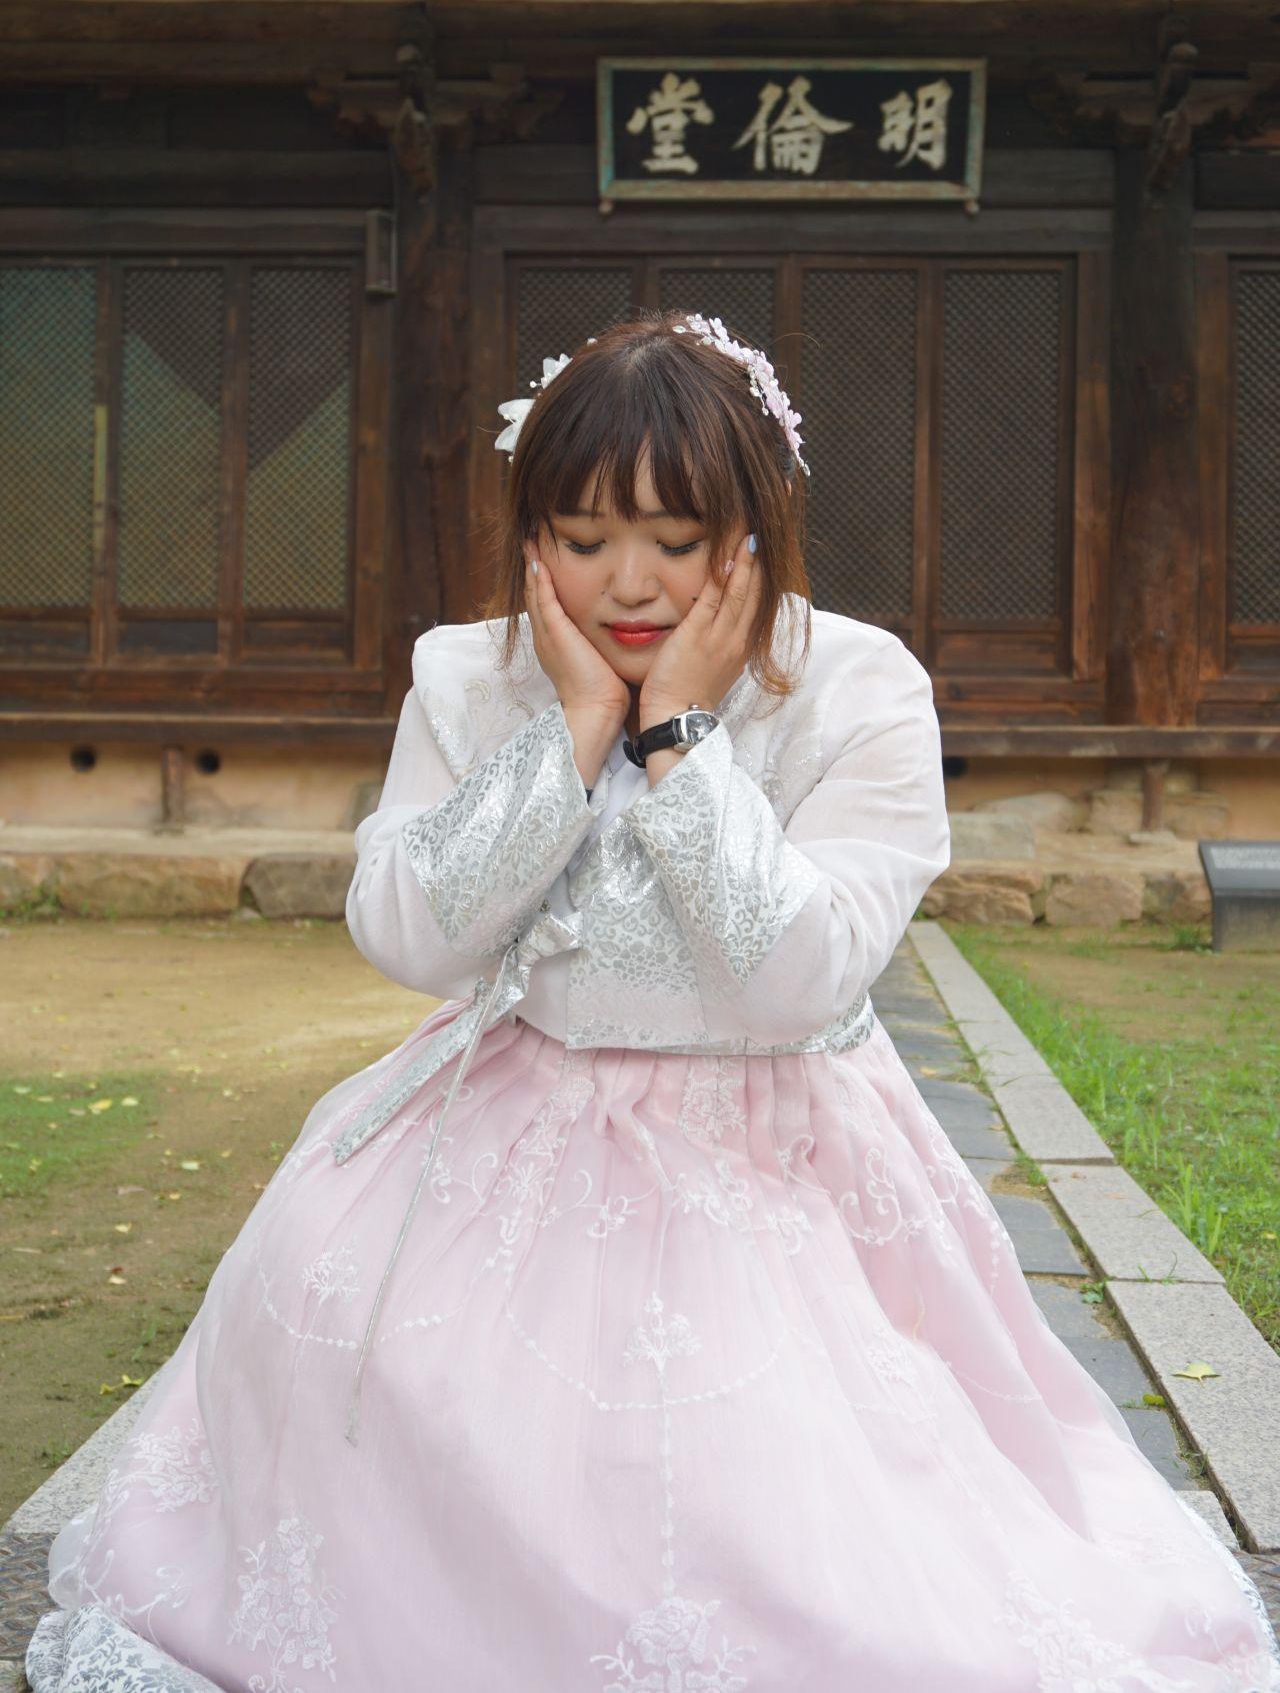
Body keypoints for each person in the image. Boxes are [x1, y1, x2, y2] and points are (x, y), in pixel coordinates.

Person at [25, 310, 1280, 1693]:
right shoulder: (469, 671)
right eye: (581, 536)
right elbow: (409, 934)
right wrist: (566, 731)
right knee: (369, 1375)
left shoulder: (858, 687)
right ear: (531, 532)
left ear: (754, 528)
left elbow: (801, 970)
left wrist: (680, 735)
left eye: (678, 542)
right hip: (513, 1120)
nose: (631, 582)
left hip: (781, 1150)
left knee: (782, 1498)